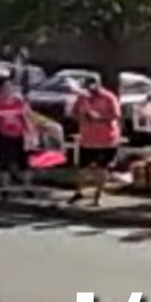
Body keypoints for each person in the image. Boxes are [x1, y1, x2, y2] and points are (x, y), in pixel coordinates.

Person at [67, 79, 121, 207]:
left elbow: (116, 115)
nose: (89, 90)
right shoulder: (82, 98)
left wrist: (99, 118)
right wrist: (81, 116)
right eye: (86, 88)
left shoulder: (108, 97)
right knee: (82, 168)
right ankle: (78, 192)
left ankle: (98, 195)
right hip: (87, 138)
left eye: (91, 87)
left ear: (98, 85)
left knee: (102, 168)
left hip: (106, 139)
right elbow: (73, 113)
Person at [0, 78, 36, 197]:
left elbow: (28, 119)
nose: (8, 90)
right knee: (4, 164)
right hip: (3, 137)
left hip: (19, 136)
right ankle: (5, 189)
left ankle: (28, 187)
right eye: (6, 88)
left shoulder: (19, 102)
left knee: (24, 164)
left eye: (11, 88)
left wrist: (31, 135)